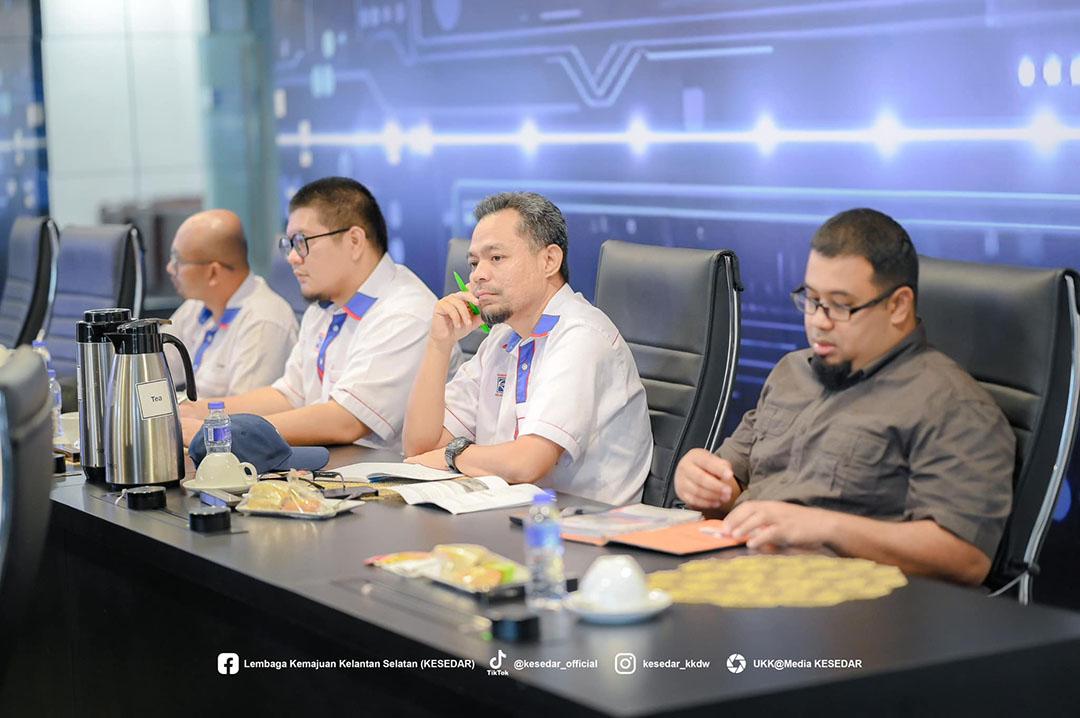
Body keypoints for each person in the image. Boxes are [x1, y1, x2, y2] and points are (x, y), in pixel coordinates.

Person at [674, 208, 1014, 586]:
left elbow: (966, 558)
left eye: (840, 305)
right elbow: (730, 484)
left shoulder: (953, 405)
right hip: (737, 571)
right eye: (812, 299)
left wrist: (825, 527)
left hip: (845, 601)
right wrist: (703, 484)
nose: (819, 321)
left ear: (898, 305)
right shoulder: (791, 371)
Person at [402, 191, 653, 505]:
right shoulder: (502, 338)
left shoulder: (581, 335)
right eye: (474, 262)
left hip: (582, 526)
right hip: (508, 512)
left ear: (549, 261)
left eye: (496, 258)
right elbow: (420, 448)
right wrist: (439, 344)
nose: (478, 275)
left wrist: (453, 455)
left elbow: (528, 463)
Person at [180, 177, 450, 450]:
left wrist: (219, 430)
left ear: (355, 241)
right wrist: (197, 411)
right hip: (334, 465)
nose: (292, 258)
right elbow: (287, 396)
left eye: (302, 241)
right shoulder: (325, 307)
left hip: (385, 471)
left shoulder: (405, 313)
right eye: (289, 244)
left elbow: (345, 420)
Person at [164, 209, 298, 397]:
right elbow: (156, 366)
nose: (170, 268)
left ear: (213, 272)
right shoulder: (197, 305)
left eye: (178, 260)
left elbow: (242, 412)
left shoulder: (263, 323)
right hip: (191, 413)